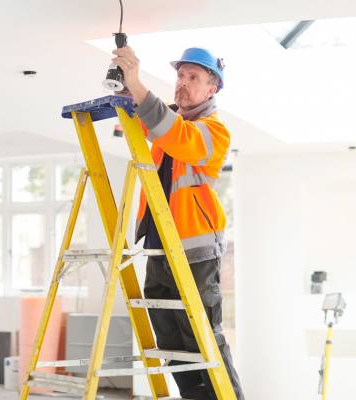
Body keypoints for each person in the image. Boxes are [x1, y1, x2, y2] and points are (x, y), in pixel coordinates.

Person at [111, 46, 244, 399]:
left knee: (200, 335)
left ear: (211, 89)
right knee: (170, 340)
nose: (182, 84)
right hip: (158, 246)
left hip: (194, 251)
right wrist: (126, 88)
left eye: (193, 78)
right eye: (180, 76)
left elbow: (177, 137)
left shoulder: (214, 131)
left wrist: (139, 87)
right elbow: (139, 126)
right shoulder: (168, 121)